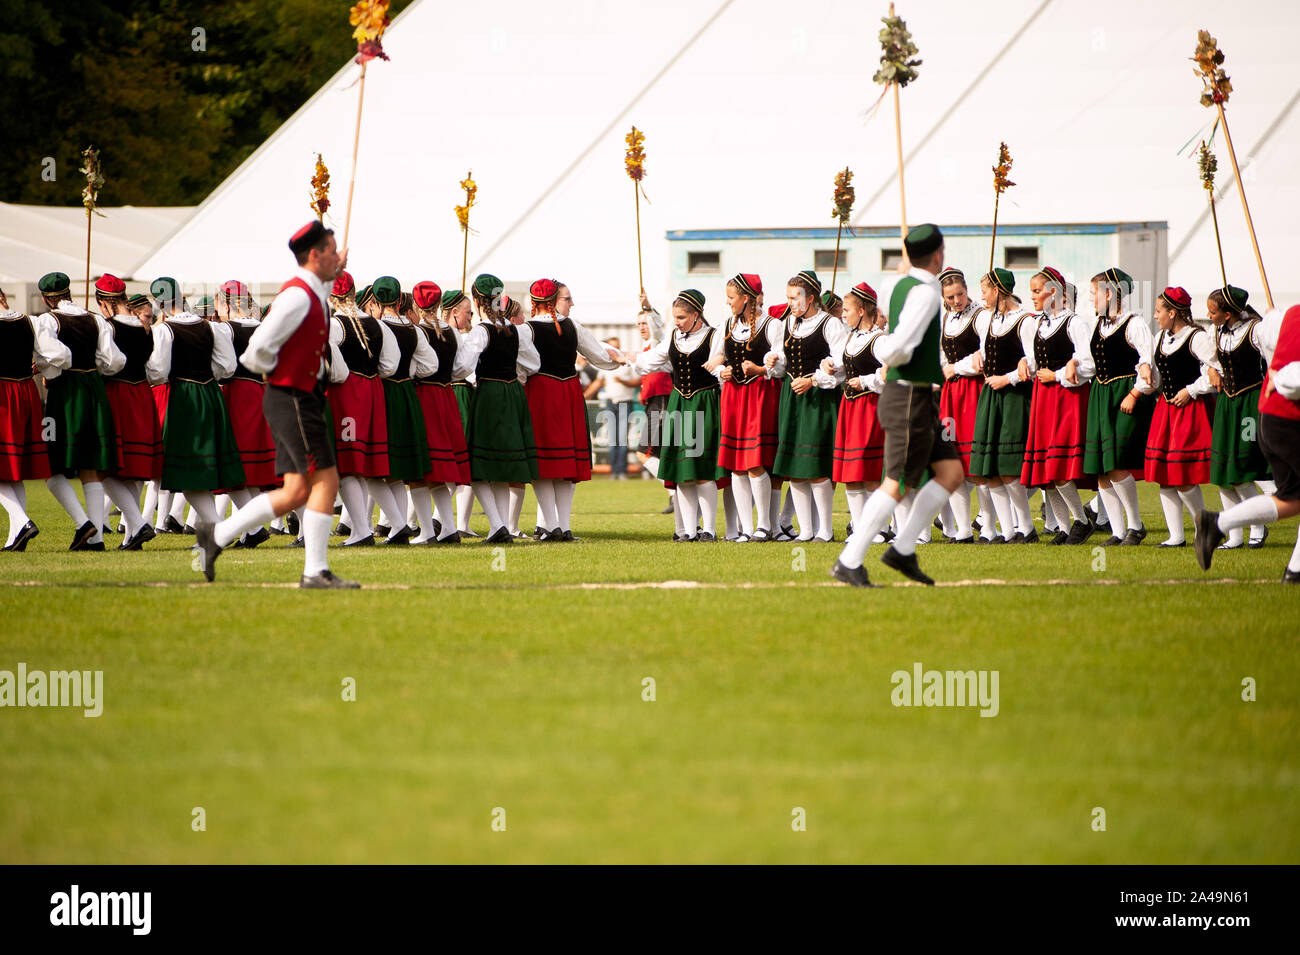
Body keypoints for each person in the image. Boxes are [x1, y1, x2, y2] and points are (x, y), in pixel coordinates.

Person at [192, 219, 358, 588]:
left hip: (298, 397)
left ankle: (215, 536)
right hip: (293, 398)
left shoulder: (314, 288)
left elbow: (323, 282)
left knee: (296, 491)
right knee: (326, 480)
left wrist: (338, 266)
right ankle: (315, 571)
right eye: (331, 251)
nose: (337, 255)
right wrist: (280, 377)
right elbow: (255, 352)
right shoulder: (297, 296)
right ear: (314, 255)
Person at [831, 224, 965, 586]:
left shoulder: (900, 286)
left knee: (951, 473)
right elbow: (899, 345)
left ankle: (903, 549)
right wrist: (886, 354)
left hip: (917, 395)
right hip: (906, 395)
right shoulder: (924, 294)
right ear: (938, 254)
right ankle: (850, 559)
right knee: (896, 481)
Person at [1195, 303, 1300, 582]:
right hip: (1286, 418)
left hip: (1269, 415)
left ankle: (1217, 523)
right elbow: (1291, 378)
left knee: (1291, 498)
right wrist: (1279, 378)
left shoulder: (1282, 316)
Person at [34, 271, 126, 550]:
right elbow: (113, 361)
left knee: (50, 463)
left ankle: (83, 523)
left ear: (44, 298)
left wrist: (47, 367)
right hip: (94, 391)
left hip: (65, 394)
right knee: (90, 467)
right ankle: (96, 538)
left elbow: (59, 356)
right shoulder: (96, 319)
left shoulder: (47, 320)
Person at [525, 279, 621, 540]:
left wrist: (618, 360)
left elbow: (599, 353)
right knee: (549, 462)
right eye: (567, 298)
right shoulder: (529, 330)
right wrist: (615, 361)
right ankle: (555, 526)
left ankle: (561, 527)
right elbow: (600, 354)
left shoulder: (538, 329)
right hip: (556, 394)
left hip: (551, 393)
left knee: (561, 463)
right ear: (552, 301)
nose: (572, 303)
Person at [145, 276, 245, 528]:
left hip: (184, 399)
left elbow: (157, 372)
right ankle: (226, 528)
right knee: (206, 469)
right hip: (211, 395)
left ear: (159, 302)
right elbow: (228, 366)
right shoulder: (212, 327)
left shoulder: (165, 330)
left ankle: (221, 528)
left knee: (187, 472)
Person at [626, 289, 724, 541]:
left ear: (696, 315)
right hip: (679, 404)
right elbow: (649, 361)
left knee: (702, 471)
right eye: (676, 317)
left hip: (705, 403)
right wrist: (624, 358)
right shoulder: (674, 338)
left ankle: (709, 529)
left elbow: (722, 371)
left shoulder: (714, 337)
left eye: (681, 317)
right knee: (683, 473)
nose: (677, 322)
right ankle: (689, 530)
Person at [1020, 266, 1095, 545]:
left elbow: (1087, 364)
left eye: (1037, 291)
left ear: (1054, 292)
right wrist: (1025, 363)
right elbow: (1033, 358)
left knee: (1058, 466)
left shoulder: (1074, 323)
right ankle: (1064, 528)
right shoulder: (1039, 324)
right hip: (1043, 396)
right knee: (1045, 472)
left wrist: (1059, 374)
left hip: (1065, 398)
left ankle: (1081, 520)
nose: (1033, 297)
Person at [464, 273, 540, 544]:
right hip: (512, 392)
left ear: (476, 300)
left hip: (490, 394)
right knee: (500, 466)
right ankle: (501, 527)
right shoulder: (514, 329)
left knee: (479, 465)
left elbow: (462, 367)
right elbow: (533, 364)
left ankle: (498, 526)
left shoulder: (481, 330)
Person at [1083, 268, 1156, 546]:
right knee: (1102, 469)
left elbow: (1148, 365)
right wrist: (1075, 365)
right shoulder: (1098, 324)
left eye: (1094, 293)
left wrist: (1136, 393)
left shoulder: (1134, 324)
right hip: (1101, 395)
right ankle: (1116, 531)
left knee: (1117, 465)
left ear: (1110, 294)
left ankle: (1135, 526)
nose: (1091, 299)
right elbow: (1091, 362)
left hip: (1123, 395)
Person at [770, 270, 845, 542]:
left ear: (810, 297)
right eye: (788, 297)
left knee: (816, 467)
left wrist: (814, 379)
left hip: (819, 399)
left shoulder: (830, 324)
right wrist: (773, 363)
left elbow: (842, 365)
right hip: (792, 399)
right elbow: (780, 364)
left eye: (795, 297)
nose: (790, 303)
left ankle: (825, 529)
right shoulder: (787, 323)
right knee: (796, 470)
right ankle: (806, 530)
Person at [968, 268, 1037, 543]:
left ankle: (1027, 527)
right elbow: (986, 351)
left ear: (997, 291)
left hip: (1013, 396)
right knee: (989, 468)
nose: (981, 296)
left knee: (1008, 466)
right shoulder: (987, 320)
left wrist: (1006, 379)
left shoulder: (1025, 321)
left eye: (984, 290)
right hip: (990, 395)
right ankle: (1006, 531)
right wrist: (978, 354)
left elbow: (1031, 362)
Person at [1144, 286, 1216, 547]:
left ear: (1173, 313)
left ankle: (1203, 528)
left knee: (1182, 474)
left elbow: (1213, 372)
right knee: (1164, 474)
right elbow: (1155, 369)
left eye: (1158, 311)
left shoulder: (1197, 337)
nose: (1155, 315)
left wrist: (1191, 390)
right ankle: (1176, 535)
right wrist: (1146, 375)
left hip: (1190, 409)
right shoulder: (1161, 337)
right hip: (1166, 409)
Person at [716, 273, 783, 541]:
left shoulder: (772, 325)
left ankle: (764, 525)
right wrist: (722, 371)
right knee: (736, 466)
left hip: (759, 395)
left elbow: (780, 365)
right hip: (734, 395)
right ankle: (745, 527)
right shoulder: (727, 325)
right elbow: (716, 359)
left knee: (755, 462)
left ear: (746, 298)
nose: (728, 302)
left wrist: (760, 369)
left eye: (731, 298)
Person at [372, 275, 438, 544]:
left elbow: (384, 366)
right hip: (408, 392)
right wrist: (410, 372)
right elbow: (430, 365)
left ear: (376, 301)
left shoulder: (376, 327)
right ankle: (403, 526)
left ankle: (397, 524)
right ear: (400, 300)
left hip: (384, 393)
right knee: (402, 466)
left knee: (385, 464)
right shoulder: (415, 330)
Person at [94, 273, 159, 549]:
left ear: (103, 302)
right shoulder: (145, 328)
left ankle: (138, 523)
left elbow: (108, 364)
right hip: (142, 394)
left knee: (104, 470)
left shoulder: (108, 327)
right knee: (130, 470)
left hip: (117, 395)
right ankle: (132, 534)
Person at [1206, 285, 1273, 549]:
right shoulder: (1218, 332)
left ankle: (1258, 525)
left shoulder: (1256, 330)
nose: (1208, 316)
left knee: (1244, 468)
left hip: (1250, 404)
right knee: (1224, 472)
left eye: (1213, 312)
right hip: (1226, 405)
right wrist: (1211, 370)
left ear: (1228, 313)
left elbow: (1274, 360)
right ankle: (1234, 534)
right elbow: (1210, 360)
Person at [215, 279, 278, 548]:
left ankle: (252, 529)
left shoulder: (225, 329)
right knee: (252, 468)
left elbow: (225, 368)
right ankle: (249, 531)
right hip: (263, 394)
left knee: (237, 466)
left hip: (238, 396)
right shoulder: (265, 327)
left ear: (227, 304)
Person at [820, 282, 887, 532]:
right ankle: (860, 528)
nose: (843, 314)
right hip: (850, 408)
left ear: (861, 311)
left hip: (870, 408)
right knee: (851, 474)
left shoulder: (879, 340)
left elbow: (890, 373)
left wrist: (866, 381)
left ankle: (878, 529)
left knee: (869, 473)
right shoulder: (851, 337)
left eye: (846, 310)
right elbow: (844, 365)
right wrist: (832, 365)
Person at [411, 281, 472, 544]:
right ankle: (447, 527)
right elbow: (461, 367)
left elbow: (415, 368)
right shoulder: (452, 332)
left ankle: (427, 530)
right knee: (437, 470)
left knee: (420, 471)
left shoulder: (417, 331)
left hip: (424, 396)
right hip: (446, 396)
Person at [0, 284, 59, 550]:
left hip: (2, 395)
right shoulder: (30, 321)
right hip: (25, 392)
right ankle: (16, 537)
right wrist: (40, 367)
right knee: (14, 471)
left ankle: (22, 521)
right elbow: (53, 354)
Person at [937, 267, 989, 543]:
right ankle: (964, 530)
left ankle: (990, 528)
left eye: (960, 294)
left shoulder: (981, 316)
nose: (956, 300)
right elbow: (942, 361)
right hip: (951, 395)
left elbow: (985, 357)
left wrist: (958, 367)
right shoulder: (945, 320)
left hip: (974, 391)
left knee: (977, 463)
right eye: (950, 296)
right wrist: (950, 369)